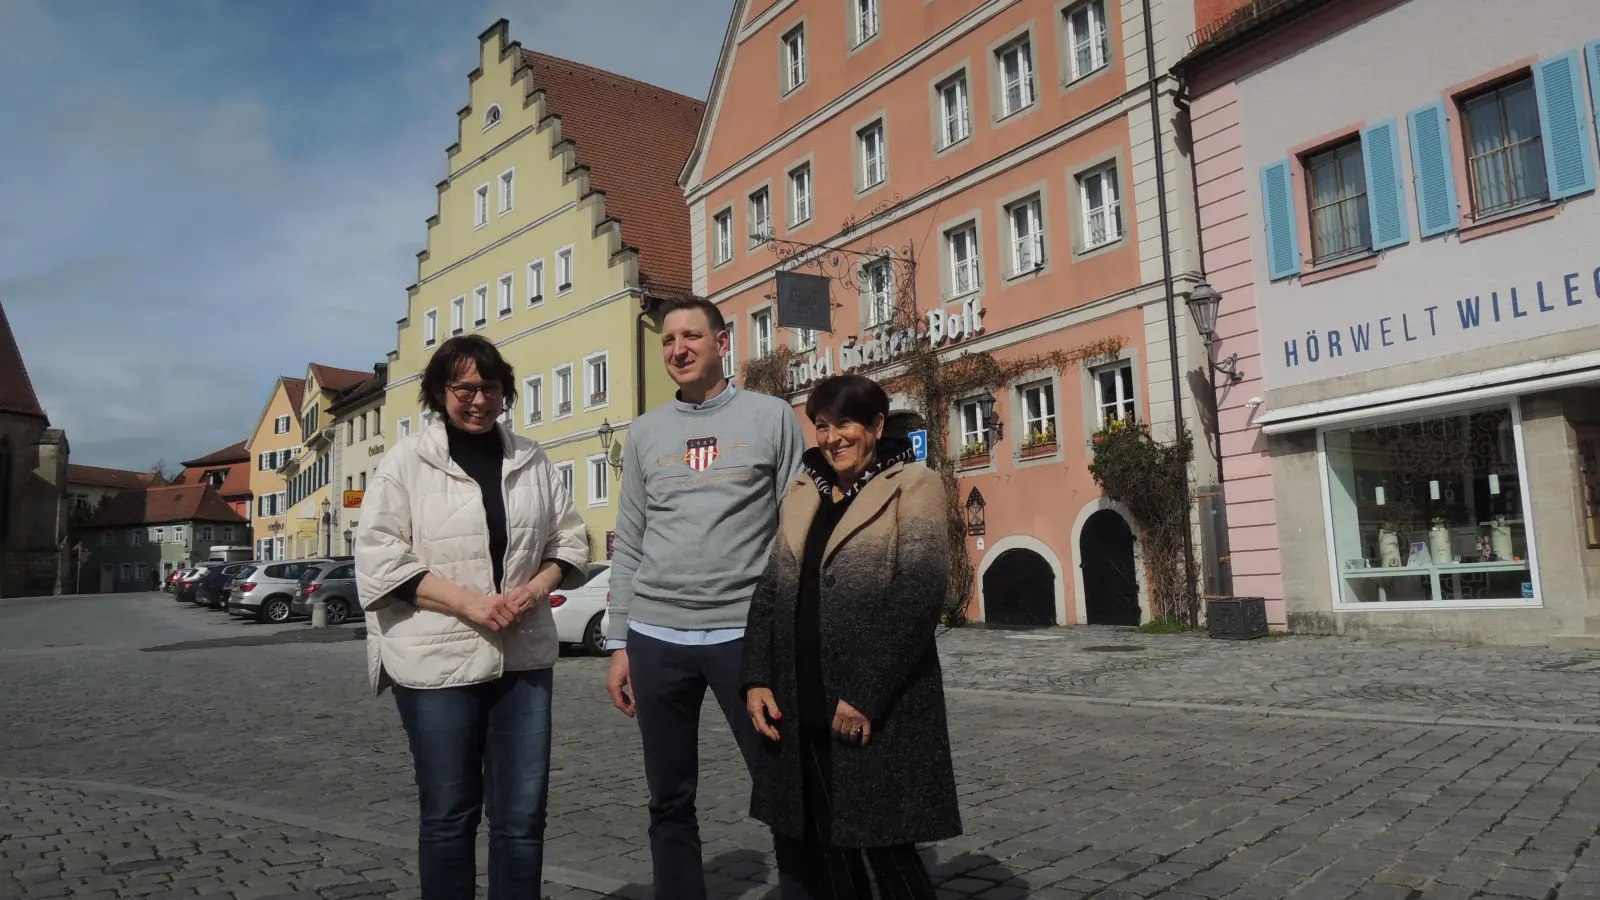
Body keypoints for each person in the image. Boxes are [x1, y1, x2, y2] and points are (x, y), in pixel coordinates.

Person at [355, 335, 591, 900]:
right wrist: (473, 605)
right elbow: (379, 555)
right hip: (436, 661)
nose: (479, 400)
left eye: (490, 388)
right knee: (449, 814)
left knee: (522, 818)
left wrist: (536, 587)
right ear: (440, 392)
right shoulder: (406, 462)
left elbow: (571, 540)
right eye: (464, 388)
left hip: (524, 657)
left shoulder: (532, 459)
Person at [605, 296, 807, 899]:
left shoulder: (772, 418)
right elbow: (631, 539)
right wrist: (620, 643)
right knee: (669, 796)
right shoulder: (644, 433)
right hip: (656, 637)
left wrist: (788, 633)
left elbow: (795, 533)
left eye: (692, 336)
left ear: (723, 343)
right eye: (669, 340)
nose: (678, 349)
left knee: (781, 785)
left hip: (744, 637)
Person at [742, 374, 960, 900]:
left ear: (876, 425)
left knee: (888, 852)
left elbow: (920, 595)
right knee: (827, 850)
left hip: (877, 704)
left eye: (845, 423)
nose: (832, 436)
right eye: (821, 425)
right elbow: (769, 591)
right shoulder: (803, 491)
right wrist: (756, 677)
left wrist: (864, 693)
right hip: (801, 700)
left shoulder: (914, 484)